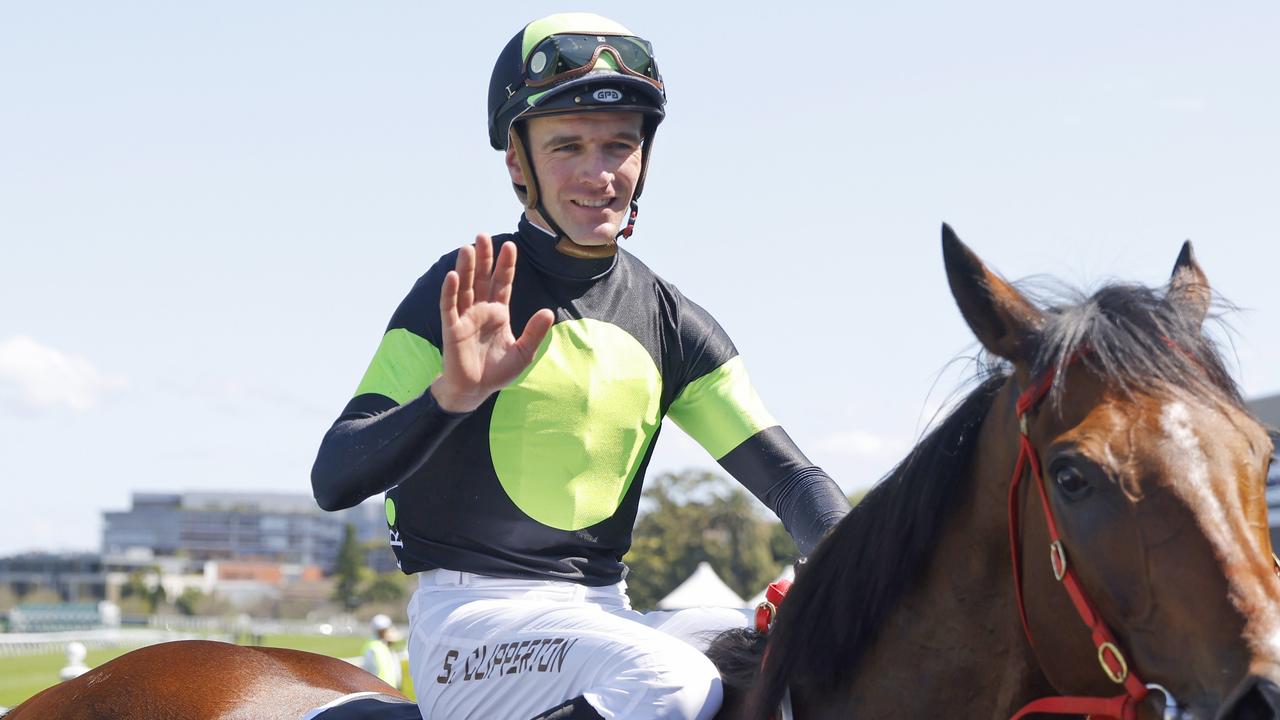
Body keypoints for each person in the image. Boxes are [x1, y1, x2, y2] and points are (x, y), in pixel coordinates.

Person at [311, 12, 850, 720]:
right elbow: (334, 476)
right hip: (469, 629)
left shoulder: (669, 319)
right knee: (672, 684)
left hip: (604, 613)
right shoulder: (461, 291)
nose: (599, 174)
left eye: (618, 145)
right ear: (517, 161)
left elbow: (791, 479)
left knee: (787, 666)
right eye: (567, 146)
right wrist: (451, 394)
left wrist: (851, 553)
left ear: (643, 158)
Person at [361, 613, 403, 690]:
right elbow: (370, 671)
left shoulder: (384, 645)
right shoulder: (373, 647)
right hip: (380, 691)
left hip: (390, 690)